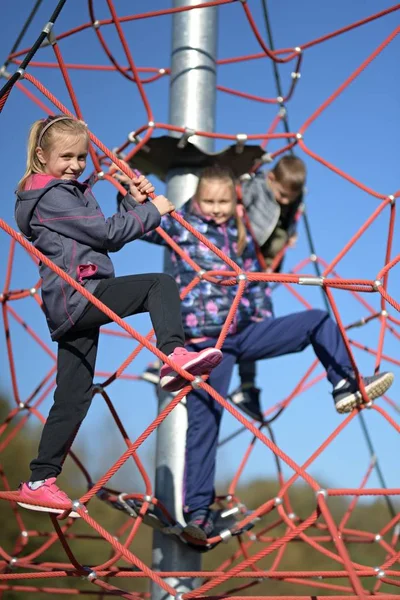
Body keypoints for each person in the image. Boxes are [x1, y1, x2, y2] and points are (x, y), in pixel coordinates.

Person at [134, 164, 393, 541]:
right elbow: (142, 224)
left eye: (224, 201)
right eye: (210, 201)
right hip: (205, 346)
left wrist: (263, 320)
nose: (217, 208)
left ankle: (344, 384)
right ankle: (199, 514)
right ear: (196, 199)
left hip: (242, 334)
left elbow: (254, 284)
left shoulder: (239, 234)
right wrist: (132, 195)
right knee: (205, 423)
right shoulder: (182, 227)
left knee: (317, 321)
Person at [14, 115, 222, 517]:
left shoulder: (63, 193)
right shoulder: (51, 197)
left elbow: (99, 234)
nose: (76, 164)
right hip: (80, 295)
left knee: (73, 397)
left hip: (70, 304)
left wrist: (132, 201)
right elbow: (107, 235)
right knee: (158, 285)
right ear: (41, 156)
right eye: (67, 156)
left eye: (82, 156)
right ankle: (174, 355)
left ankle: (40, 480)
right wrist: (155, 210)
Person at [230, 155, 307, 422]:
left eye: (290, 197)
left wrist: (292, 233)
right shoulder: (258, 186)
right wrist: (248, 171)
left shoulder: (294, 199)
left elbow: (290, 215)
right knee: (223, 316)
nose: (284, 201)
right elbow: (238, 195)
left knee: (255, 321)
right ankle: (162, 362)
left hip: (262, 269)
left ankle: (247, 386)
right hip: (242, 259)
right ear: (271, 179)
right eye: (282, 195)